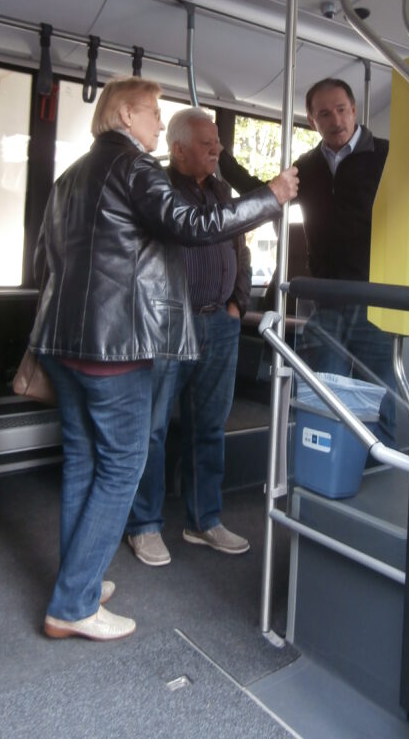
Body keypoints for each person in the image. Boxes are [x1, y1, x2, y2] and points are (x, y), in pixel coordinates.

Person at [29, 77, 298, 642]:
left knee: (83, 461)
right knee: (123, 464)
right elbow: (193, 226)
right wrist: (269, 196)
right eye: (152, 112)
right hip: (115, 346)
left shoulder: (70, 178)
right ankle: (73, 604)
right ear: (125, 114)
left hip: (62, 343)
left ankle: (79, 577)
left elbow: (44, 262)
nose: (157, 120)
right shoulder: (134, 168)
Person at [219, 77, 396, 441]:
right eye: (325, 114)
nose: (336, 120)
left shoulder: (385, 156)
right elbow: (266, 192)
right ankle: (326, 471)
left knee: (380, 392)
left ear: (355, 110)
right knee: (320, 391)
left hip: (375, 298)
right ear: (312, 121)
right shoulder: (308, 165)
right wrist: (221, 158)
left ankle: (383, 477)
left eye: (342, 110)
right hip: (326, 298)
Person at [126, 108, 252, 566]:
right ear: (178, 149)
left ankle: (204, 521)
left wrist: (238, 304)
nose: (217, 149)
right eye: (206, 143)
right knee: (154, 429)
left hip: (221, 322)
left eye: (217, 141)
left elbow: (241, 249)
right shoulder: (156, 189)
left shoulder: (221, 189)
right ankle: (144, 524)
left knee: (210, 427)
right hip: (169, 327)